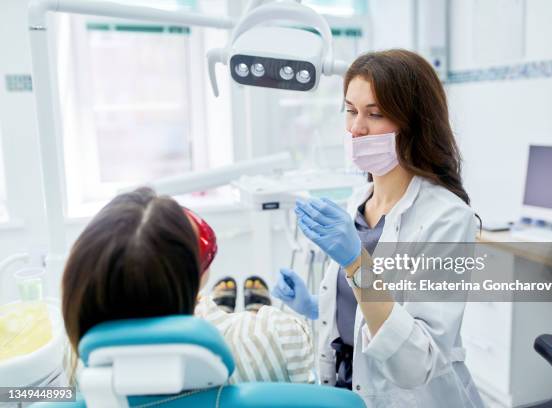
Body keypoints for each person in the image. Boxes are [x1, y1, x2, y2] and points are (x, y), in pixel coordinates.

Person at [272, 49, 485, 407]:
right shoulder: (357, 202)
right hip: (345, 389)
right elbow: (362, 316)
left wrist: (357, 262)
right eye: (351, 111)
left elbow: (417, 362)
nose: (356, 128)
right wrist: (315, 307)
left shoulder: (447, 218)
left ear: (414, 124)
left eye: (375, 114)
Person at [61, 187, 314, 385]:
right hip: (245, 345)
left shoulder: (77, 362)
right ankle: (244, 309)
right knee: (245, 322)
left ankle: (223, 310)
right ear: (195, 279)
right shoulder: (276, 333)